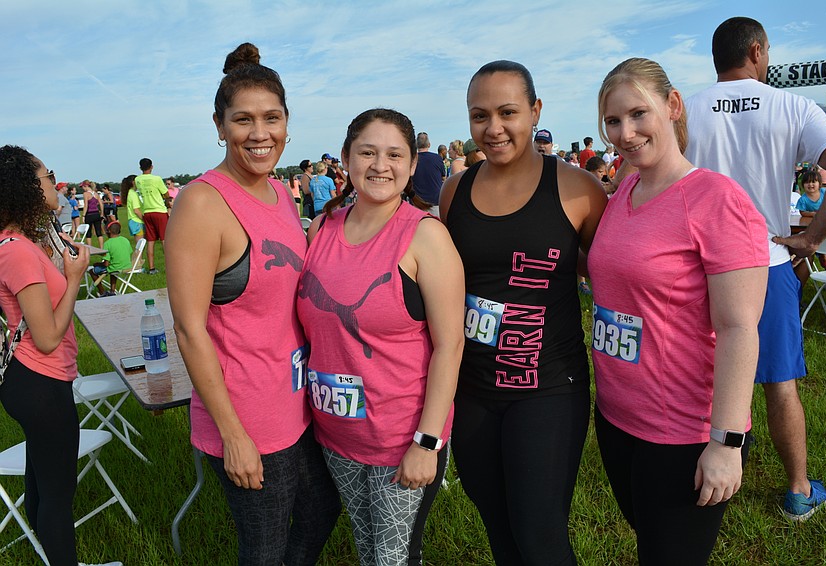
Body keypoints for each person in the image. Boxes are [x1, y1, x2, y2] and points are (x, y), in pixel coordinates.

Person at [589, 57, 769, 566]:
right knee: (650, 542)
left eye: (637, 114)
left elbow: (739, 328)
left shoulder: (716, 199)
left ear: (672, 106)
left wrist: (726, 443)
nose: (625, 133)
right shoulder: (626, 187)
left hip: (683, 433)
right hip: (618, 417)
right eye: (613, 121)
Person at [166, 42, 340, 566]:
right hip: (246, 414)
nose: (259, 133)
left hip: (296, 399)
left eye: (272, 118)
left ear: (288, 123)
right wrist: (233, 434)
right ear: (220, 126)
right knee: (261, 546)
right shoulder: (202, 202)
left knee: (319, 508)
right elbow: (190, 328)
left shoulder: (281, 195)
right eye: (243, 120)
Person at [440, 60, 607, 565]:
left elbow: (612, 274)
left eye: (508, 112)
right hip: (472, 389)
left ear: (535, 111)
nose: (493, 128)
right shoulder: (455, 191)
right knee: (496, 520)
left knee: (539, 530)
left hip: (549, 388)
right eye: (479, 115)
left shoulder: (579, 189)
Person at [684, 16, 826, 521]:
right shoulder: (791, 105)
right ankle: (798, 490)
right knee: (779, 383)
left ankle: (694, 471)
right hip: (767, 259)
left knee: (696, 374)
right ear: (756, 51)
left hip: (695, 263)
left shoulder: (685, 109)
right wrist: (815, 238)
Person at [298, 107, 464, 566]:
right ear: (347, 159)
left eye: (394, 154)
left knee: (393, 559)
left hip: (400, 437)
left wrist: (427, 442)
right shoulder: (322, 227)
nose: (379, 165)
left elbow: (451, 345)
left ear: (412, 165)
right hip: (336, 434)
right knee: (366, 547)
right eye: (367, 152)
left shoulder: (425, 236)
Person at [0, 146, 127, 566]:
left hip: (32, 381)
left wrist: (59, 261)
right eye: (47, 175)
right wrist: (73, 278)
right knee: (58, 497)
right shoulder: (15, 250)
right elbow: (49, 335)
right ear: (27, 187)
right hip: (40, 381)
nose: (54, 183)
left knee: (41, 489)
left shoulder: (18, 243)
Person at [136, 157, 172, 274]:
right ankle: (170, 265)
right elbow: (165, 193)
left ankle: (151, 267)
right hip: (159, 211)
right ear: (151, 167)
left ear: (140, 168)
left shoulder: (138, 180)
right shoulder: (156, 179)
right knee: (164, 239)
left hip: (147, 212)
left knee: (150, 240)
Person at [88, 221, 133, 296]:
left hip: (115, 267)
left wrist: (98, 264)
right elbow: (129, 253)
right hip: (127, 266)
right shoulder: (125, 240)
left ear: (109, 231)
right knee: (113, 266)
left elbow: (106, 264)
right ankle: (112, 291)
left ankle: (102, 292)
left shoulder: (107, 243)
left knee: (92, 271)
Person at [411, 132, 446, 217]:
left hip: (417, 203)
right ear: (429, 144)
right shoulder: (437, 158)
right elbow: (443, 177)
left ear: (416, 144)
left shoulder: (412, 159)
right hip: (435, 202)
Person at [120, 175, 144, 243]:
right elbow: (136, 210)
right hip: (137, 221)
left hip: (133, 221)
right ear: (133, 182)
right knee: (140, 247)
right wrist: (144, 219)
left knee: (139, 246)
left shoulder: (130, 193)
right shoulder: (133, 194)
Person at [81, 180, 104, 248]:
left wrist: (83, 215)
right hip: (96, 213)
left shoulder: (86, 194)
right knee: (98, 232)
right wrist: (102, 213)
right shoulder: (96, 194)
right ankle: (101, 247)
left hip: (89, 214)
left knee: (88, 233)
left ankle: (90, 248)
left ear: (86, 186)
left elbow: (86, 205)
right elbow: (101, 204)